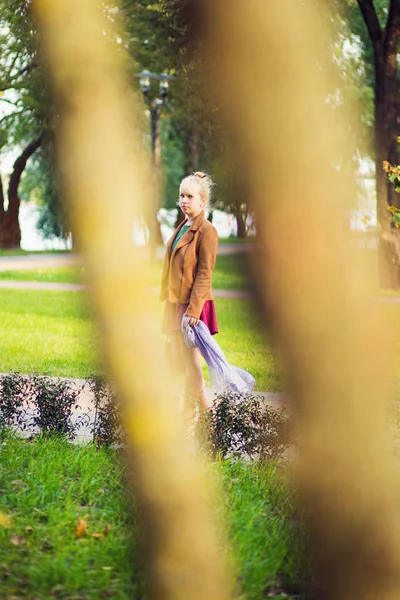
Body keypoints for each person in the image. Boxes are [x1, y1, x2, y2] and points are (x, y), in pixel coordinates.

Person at [160, 171, 218, 422]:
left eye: (190, 196)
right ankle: (188, 415)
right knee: (186, 363)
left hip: (192, 306)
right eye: (181, 195)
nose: (184, 200)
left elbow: (205, 273)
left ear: (203, 201)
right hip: (176, 302)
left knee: (191, 365)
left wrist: (193, 310)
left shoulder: (207, 231)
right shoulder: (182, 227)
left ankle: (208, 418)